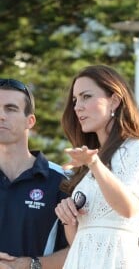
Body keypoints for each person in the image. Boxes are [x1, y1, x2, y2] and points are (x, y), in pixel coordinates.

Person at [54, 64, 139, 269]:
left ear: (114, 100)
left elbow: (129, 209)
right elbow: (78, 239)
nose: (77, 107)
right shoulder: (89, 163)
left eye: (86, 96)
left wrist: (94, 164)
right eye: (76, 100)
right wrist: (67, 216)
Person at [0, 78, 68, 269]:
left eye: (10, 108)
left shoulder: (61, 181)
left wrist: (31, 265)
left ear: (30, 121)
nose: (1, 115)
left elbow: (80, 248)